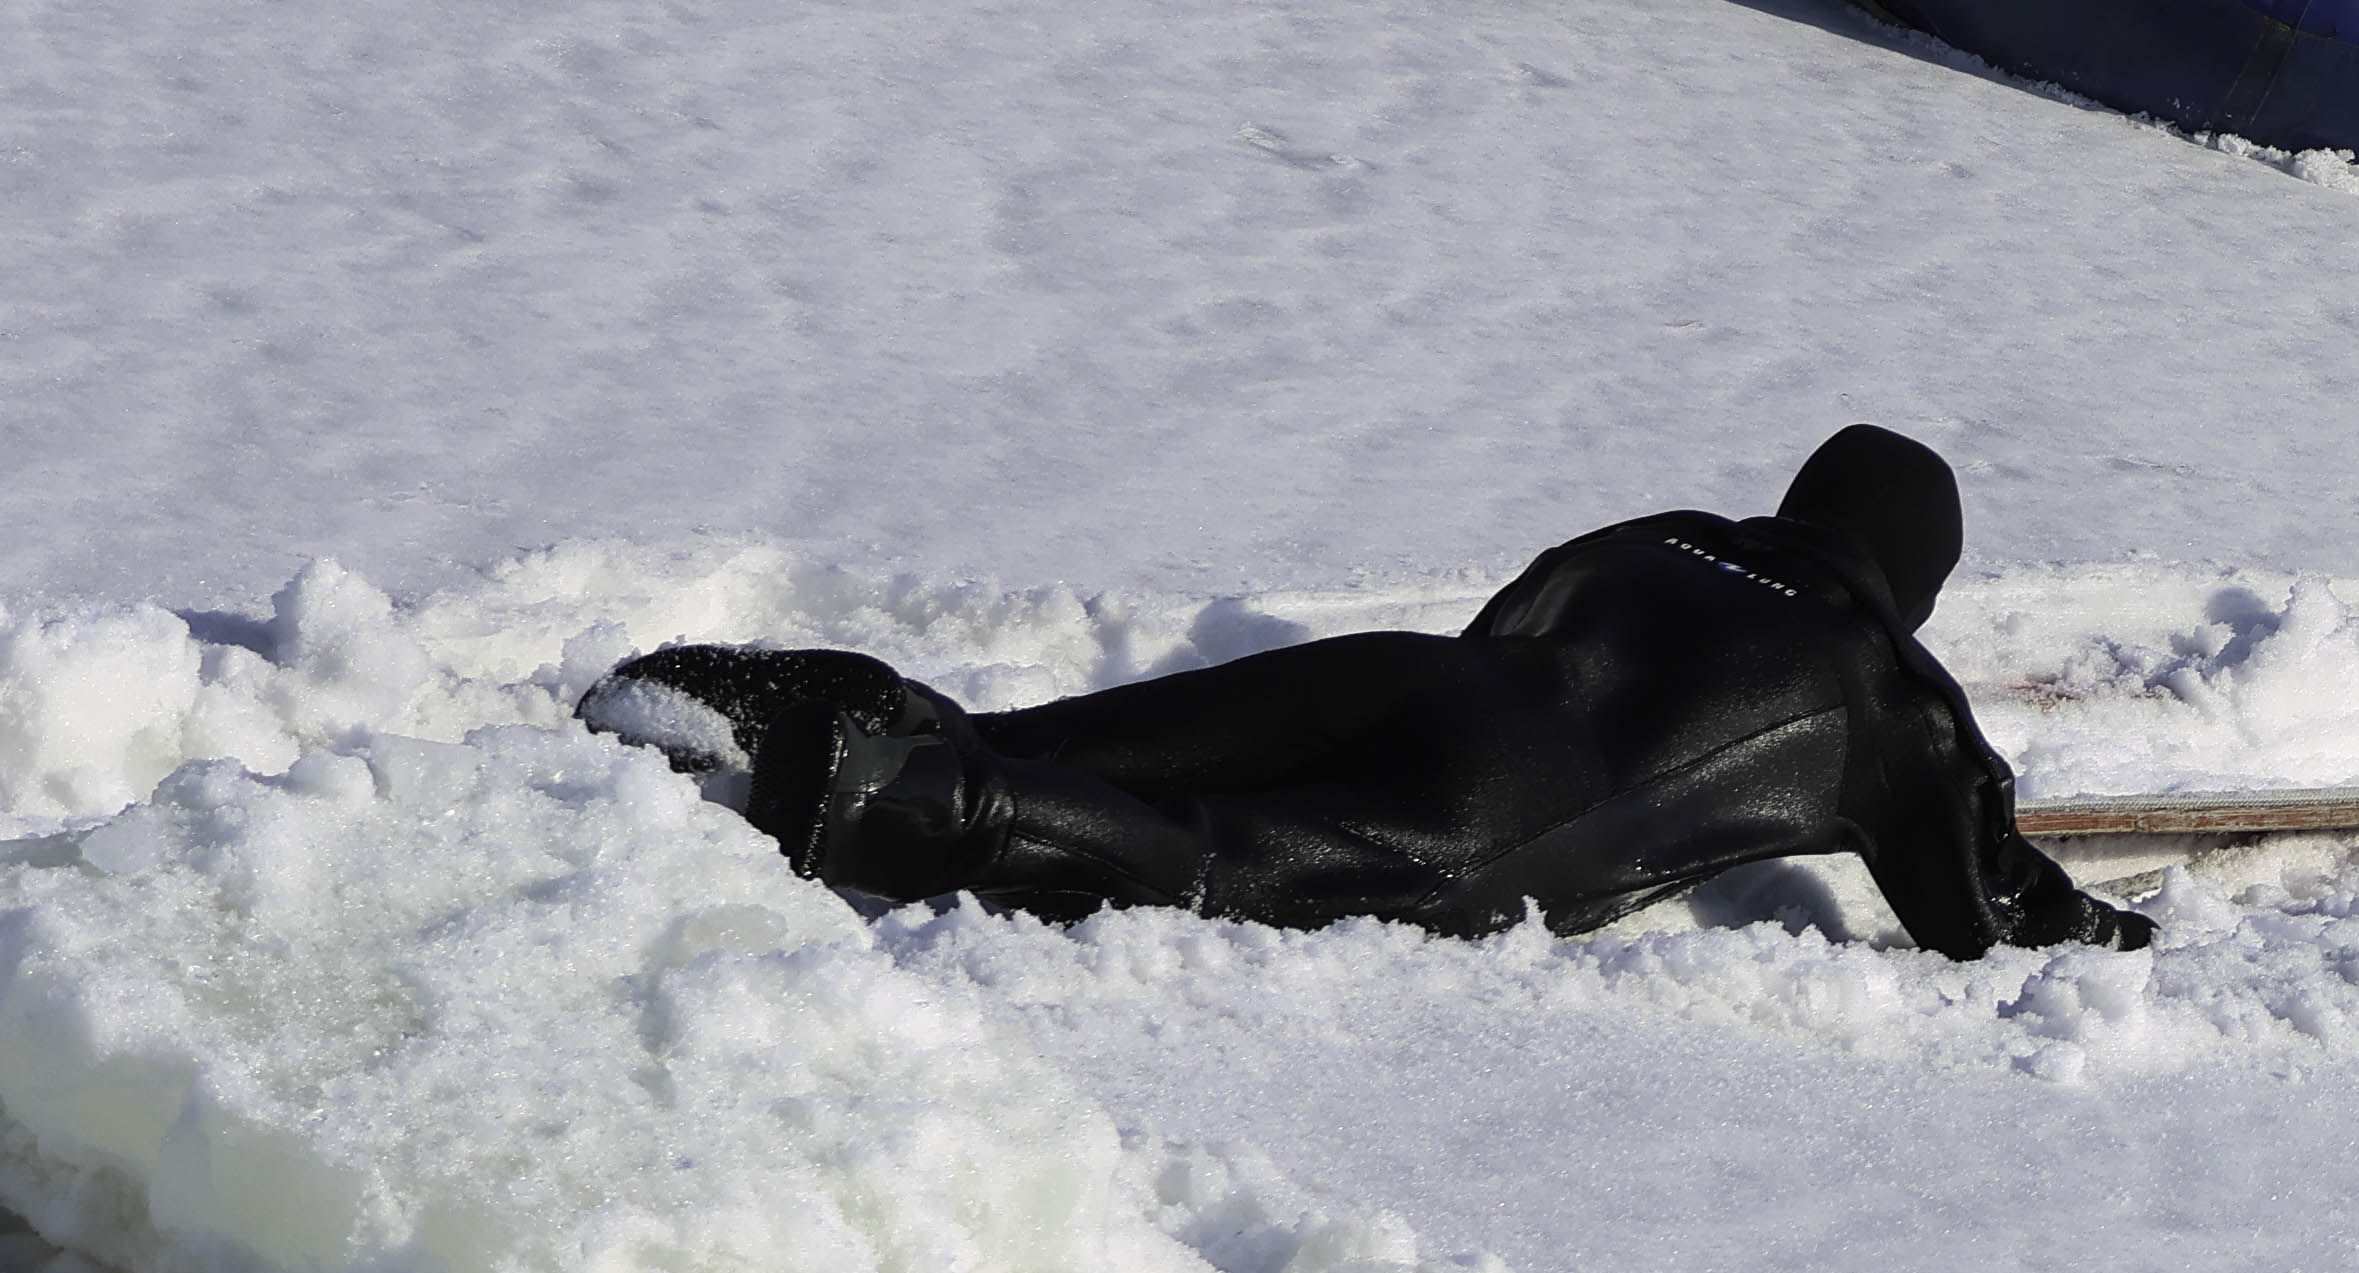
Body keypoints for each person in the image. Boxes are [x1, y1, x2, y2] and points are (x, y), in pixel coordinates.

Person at [597, 425, 2140, 959]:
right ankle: (883, 807)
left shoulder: (1658, 537)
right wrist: (2109, 926)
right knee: (1204, 855)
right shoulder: (1894, 689)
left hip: (1418, 682)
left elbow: (1511, 617)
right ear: (1913, 570)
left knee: (1052, 737)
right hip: (1494, 810)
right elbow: (1983, 909)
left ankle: (760, 696)